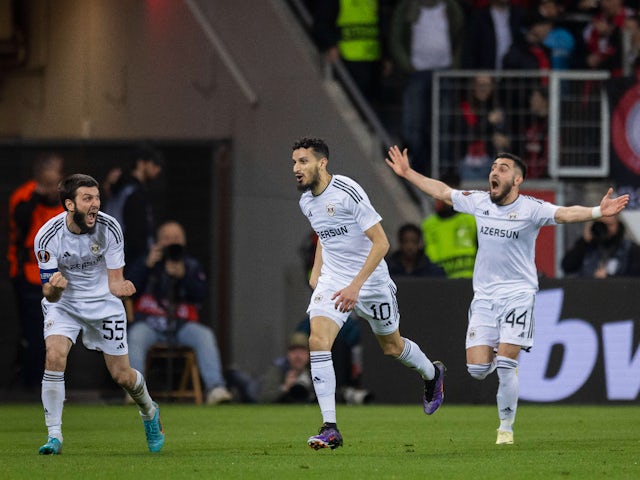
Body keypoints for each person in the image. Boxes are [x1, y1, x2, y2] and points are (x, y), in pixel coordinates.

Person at [385, 145, 629, 445]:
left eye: (502, 168)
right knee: (477, 369)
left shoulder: (531, 209)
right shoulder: (479, 202)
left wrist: (596, 211)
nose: (494, 172)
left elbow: (565, 214)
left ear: (517, 180)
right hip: (484, 298)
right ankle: (485, 367)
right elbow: (443, 192)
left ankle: (506, 428)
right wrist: (408, 173)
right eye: (493, 167)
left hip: (519, 294)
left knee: (506, 363)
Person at [292, 137, 445, 451]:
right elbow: (323, 233)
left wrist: (356, 286)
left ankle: (432, 374)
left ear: (322, 163)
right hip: (335, 280)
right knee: (317, 340)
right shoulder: (306, 201)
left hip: (371, 281)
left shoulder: (347, 190)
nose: (296, 168)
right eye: (294, 162)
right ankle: (330, 427)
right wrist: (317, 274)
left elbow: (382, 243)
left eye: (303, 161)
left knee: (392, 347)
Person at [33, 174, 164, 455]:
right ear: (70, 204)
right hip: (64, 304)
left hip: (104, 303)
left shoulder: (110, 228)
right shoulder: (47, 236)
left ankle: (149, 411)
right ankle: (54, 437)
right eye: (87, 199)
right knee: (54, 356)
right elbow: (48, 293)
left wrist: (124, 287)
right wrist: (55, 290)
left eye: (97, 198)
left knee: (122, 376)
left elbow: (115, 282)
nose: (95, 205)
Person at [126, 221, 233, 405]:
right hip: (149, 323)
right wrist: (146, 265)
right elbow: (127, 287)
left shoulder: (191, 265)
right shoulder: (147, 259)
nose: (171, 242)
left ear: (183, 242)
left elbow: (202, 294)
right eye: (167, 238)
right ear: (157, 241)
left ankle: (216, 388)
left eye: (176, 238)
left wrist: (185, 277)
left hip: (181, 325)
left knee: (204, 335)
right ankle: (135, 391)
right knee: (135, 335)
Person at [8, 154, 64, 390]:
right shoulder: (24, 196)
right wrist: (38, 196)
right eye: (48, 182)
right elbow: (20, 223)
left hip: (59, 275)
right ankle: (31, 385)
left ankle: (55, 383)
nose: (53, 187)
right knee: (33, 333)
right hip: (29, 274)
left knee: (58, 333)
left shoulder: (65, 198)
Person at [389, 0, 464, 174]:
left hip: (445, 73)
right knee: (413, 124)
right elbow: (396, 36)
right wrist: (406, 64)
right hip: (416, 73)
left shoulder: (451, 7)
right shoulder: (407, 6)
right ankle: (416, 167)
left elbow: (460, 35)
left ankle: (442, 169)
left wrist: (455, 65)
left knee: (444, 123)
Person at [103, 143, 164, 266]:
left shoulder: (122, 189)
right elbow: (135, 233)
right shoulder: (132, 192)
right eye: (154, 164)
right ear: (141, 163)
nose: (158, 170)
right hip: (129, 259)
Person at [421, 173, 477, 279]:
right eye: (447, 192)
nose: (450, 197)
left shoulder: (471, 219)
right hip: (441, 283)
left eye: (454, 192)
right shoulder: (429, 224)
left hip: (471, 281)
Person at [561, 215, 640, 278]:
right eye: (602, 225)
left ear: (618, 225)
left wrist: (610, 278)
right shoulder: (586, 245)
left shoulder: (630, 249)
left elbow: (635, 278)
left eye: (609, 225)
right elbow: (567, 267)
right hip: (588, 293)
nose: (606, 229)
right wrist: (584, 240)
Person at [257, 332, 315, 403]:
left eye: (302, 351)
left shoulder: (314, 370)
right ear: (288, 354)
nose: (298, 356)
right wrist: (284, 388)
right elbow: (263, 399)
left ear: (309, 354)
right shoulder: (279, 368)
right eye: (294, 351)